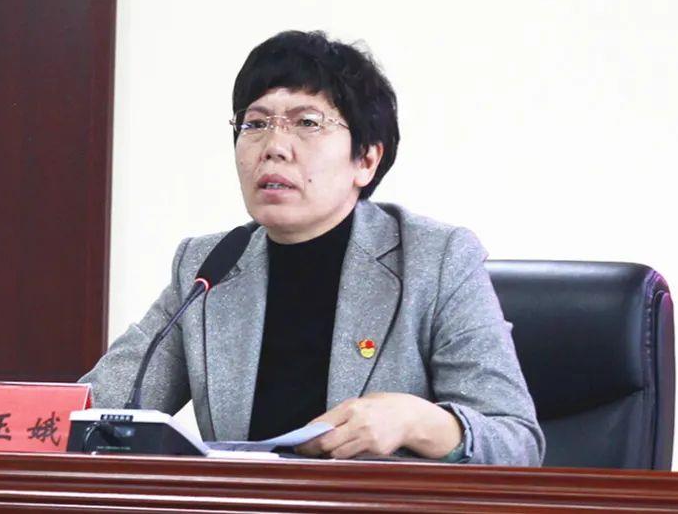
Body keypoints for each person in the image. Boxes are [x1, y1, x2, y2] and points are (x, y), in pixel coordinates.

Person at [80, 30, 545, 465]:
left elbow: (517, 443)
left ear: (366, 159)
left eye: (306, 122)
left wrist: (417, 423)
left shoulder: (435, 260)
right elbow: (90, 412)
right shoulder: (208, 268)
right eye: (255, 123)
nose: (273, 146)